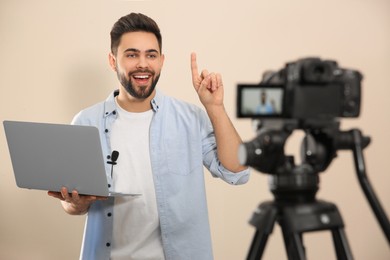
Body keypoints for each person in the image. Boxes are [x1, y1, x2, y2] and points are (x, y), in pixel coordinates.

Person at [48, 12, 250, 260]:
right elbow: (71, 204)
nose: (143, 64)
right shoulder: (86, 122)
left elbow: (237, 172)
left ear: (161, 61)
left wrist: (215, 108)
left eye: (151, 55)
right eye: (132, 55)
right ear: (113, 61)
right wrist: (75, 203)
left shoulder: (190, 118)